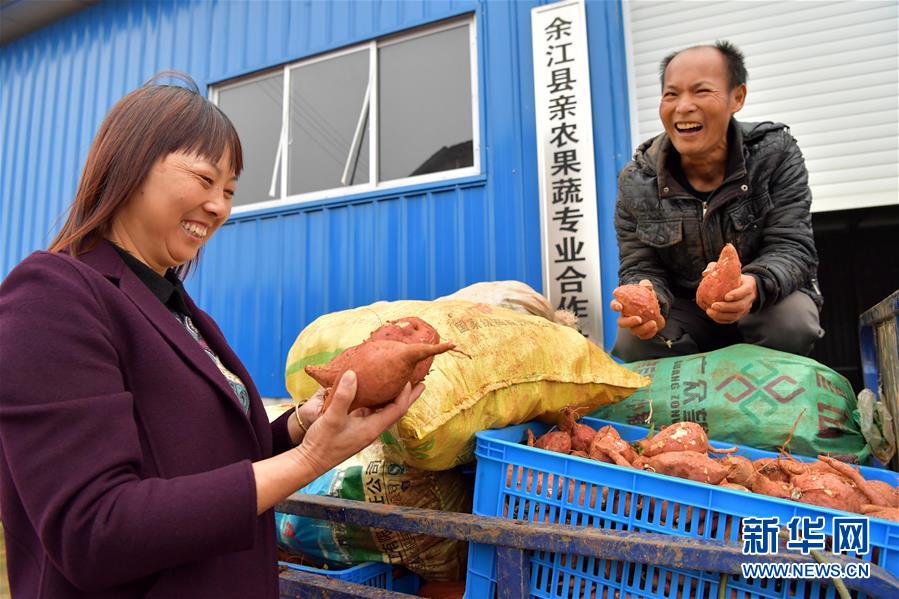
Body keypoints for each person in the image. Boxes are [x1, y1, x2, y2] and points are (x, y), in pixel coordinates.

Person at [0, 75, 423, 599]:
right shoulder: (52, 294)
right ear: (129, 165)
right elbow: (94, 528)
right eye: (204, 179)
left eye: (229, 191)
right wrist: (308, 461)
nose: (220, 207)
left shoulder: (181, 311)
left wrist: (300, 427)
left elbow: (209, 461)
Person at [610, 41, 824, 363]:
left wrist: (753, 285)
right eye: (671, 94)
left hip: (762, 303)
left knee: (791, 322)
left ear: (737, 97)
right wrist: (648, 297)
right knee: (632, 340)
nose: (683, 106)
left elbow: (792, 247)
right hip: (688, 314)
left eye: (701, 91)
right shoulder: (637, 180)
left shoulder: (775, 153)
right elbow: (639, 264)